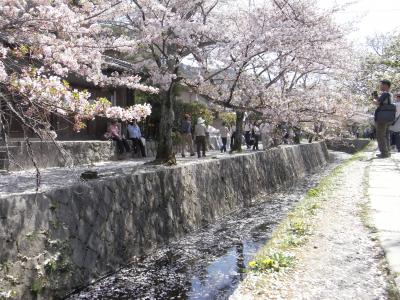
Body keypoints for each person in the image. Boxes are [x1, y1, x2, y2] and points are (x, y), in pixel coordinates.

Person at [373, 80, 394, 158]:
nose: (380, 86)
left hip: (382, 118)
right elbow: (384, 102)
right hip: (388, 118)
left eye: (381, 85)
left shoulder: (385, 93)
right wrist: (377, 97)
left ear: (386, 85)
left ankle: (384, 153)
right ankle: (387, 152)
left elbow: (377, 103)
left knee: (380, 135)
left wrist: (374, 99)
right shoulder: (390, 94)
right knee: (386, 135)